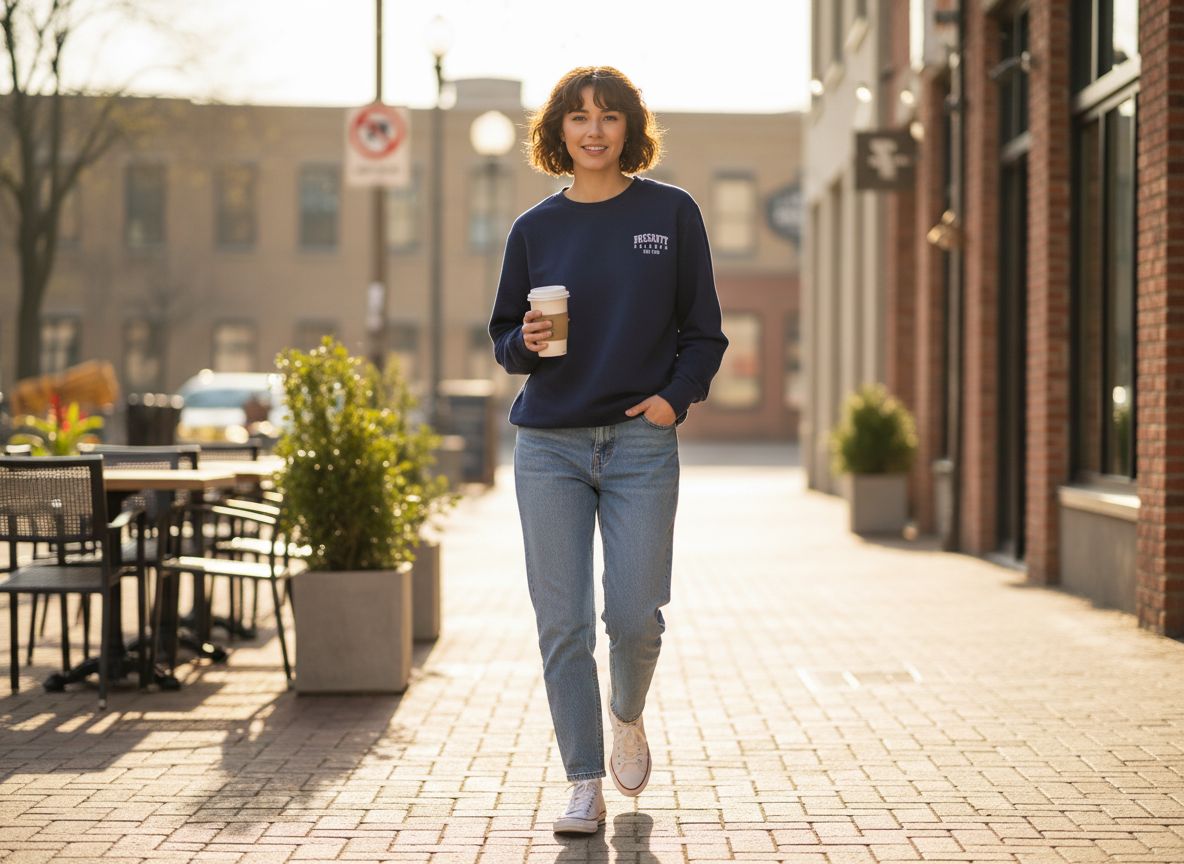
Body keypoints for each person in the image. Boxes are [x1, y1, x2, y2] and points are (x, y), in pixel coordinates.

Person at [489, 66, 728, 835]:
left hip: (639, 442)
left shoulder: (672, 213)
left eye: (609, 116)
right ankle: (584, 780)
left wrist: (673, 399)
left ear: (630, 128)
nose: (594, 130)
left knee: (634, 616)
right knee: (562, 624)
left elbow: (705, 332)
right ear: (558, 131)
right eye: (579, 117)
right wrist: (521, 345)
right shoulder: (534, 229)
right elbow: (503, 338)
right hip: (549, 446)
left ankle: (628, 713)